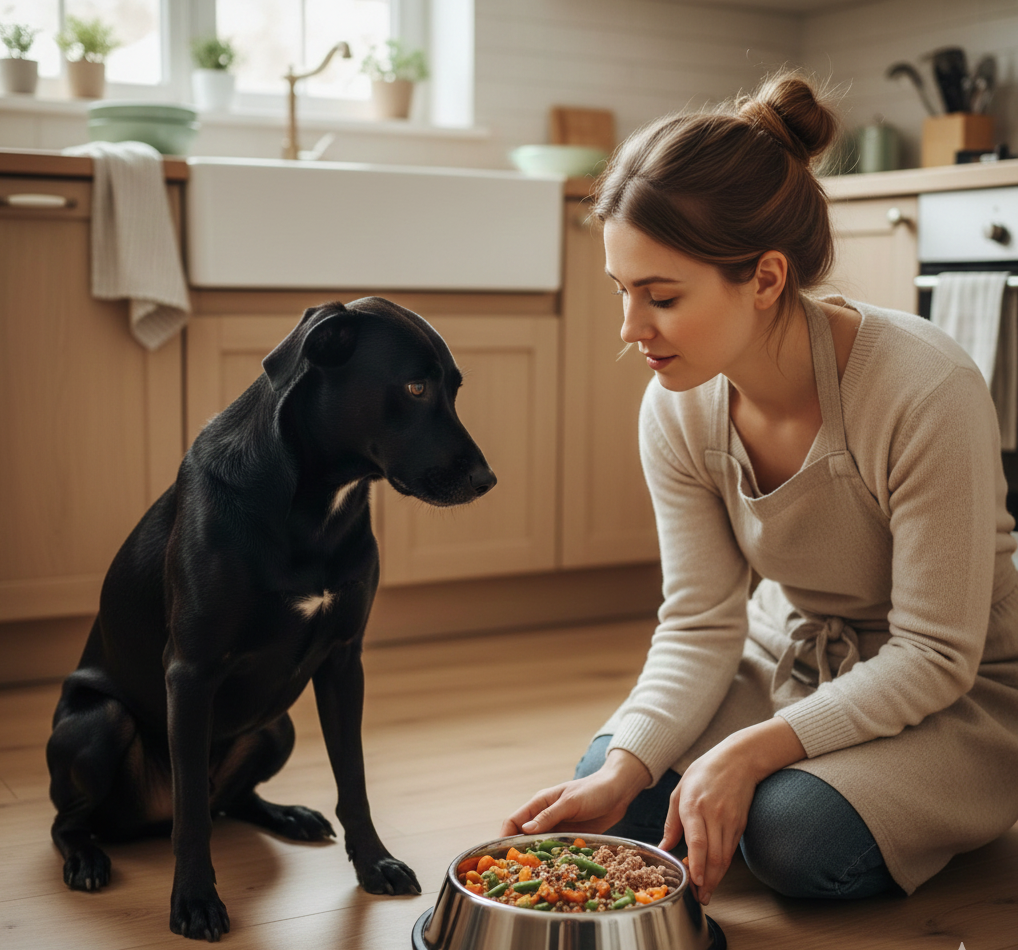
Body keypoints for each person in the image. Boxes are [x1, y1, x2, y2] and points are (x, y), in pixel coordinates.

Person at [500, 72, 1018, 907]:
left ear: (767, 279)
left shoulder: (923, 390)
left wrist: (745, 754)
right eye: (622, 291)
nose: (632, 331)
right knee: (610, 784)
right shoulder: (675, 410)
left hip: (956, 689)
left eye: (661, 297)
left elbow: (933, 653)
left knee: (792, 833)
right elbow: (702, 623)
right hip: (794, 659)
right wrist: (634, 762)